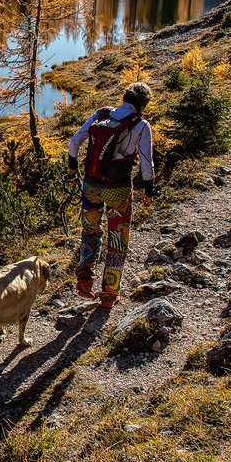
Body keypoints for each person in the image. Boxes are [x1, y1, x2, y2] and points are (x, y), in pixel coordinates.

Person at [66, 82, 155, 308]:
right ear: (142, 106)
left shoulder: (102, 114)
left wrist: (73, 168)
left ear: (123, 98)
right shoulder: (142, 126)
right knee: (117, 240)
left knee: (91, 231)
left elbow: (75, 142)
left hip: (91, 186)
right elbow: (147, 163)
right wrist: (149, 190)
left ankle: (84, 282)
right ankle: (108, 295)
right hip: (119, 189)